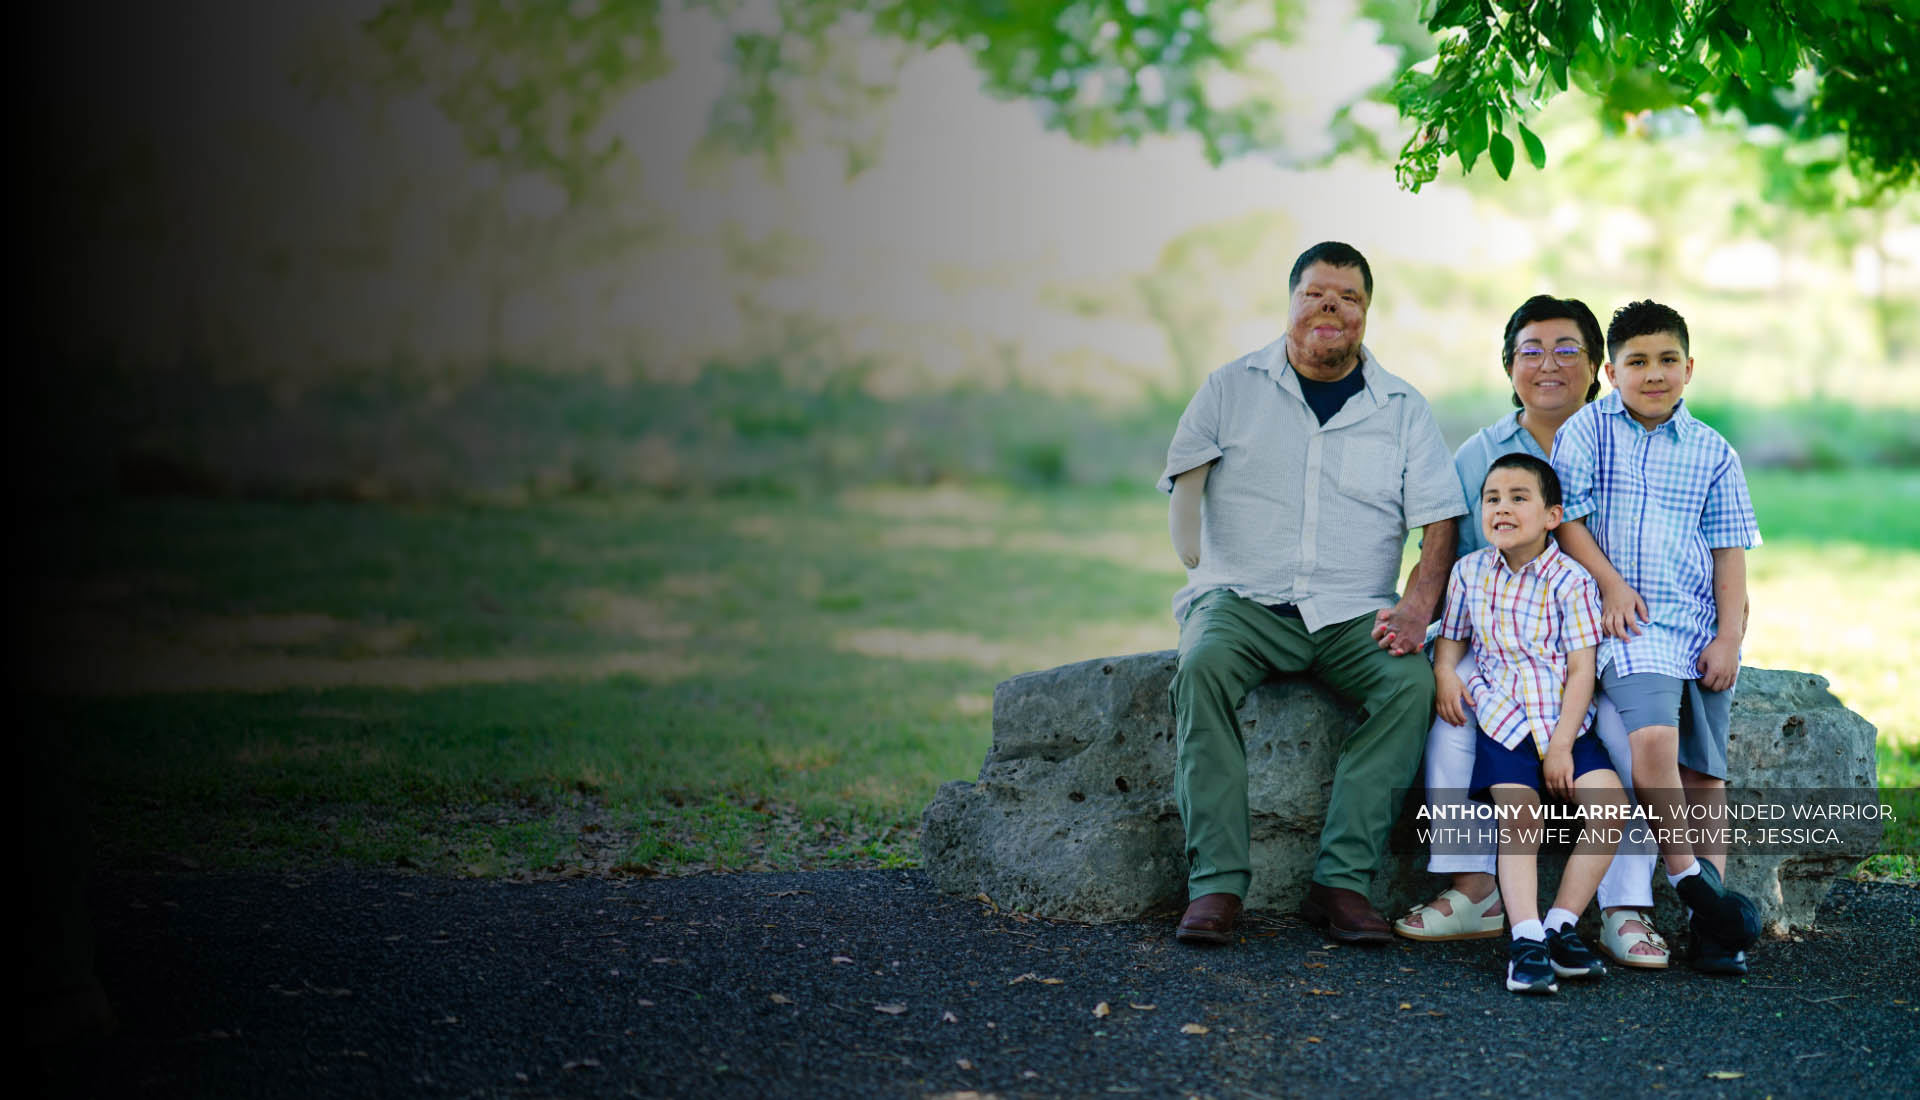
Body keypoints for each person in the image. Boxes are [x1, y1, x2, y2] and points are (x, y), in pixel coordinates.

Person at [1160, 241, 1465, 945]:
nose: (1331, 306)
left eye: (1348, 297)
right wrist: (1191, 551)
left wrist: (1417, 606)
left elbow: (1440, 520)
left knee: (1407, 686)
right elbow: (1185, 479)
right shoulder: (1229, 387)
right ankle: (1216, 885)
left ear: (1366, 313)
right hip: (1242, 599)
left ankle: (1341, 884)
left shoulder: (1402, 408)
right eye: (1316, 293)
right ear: (1292, 302)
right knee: (1201, 667)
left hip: (1352, 611)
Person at [1391, 295, 1667, 969]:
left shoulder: (1624, 437)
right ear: (1509, 365)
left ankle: (1624, 907)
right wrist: (1422, 627)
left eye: (1568, 349)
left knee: (1630, 737)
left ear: (1598, 367)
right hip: (1504, 644)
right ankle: (1476, 888)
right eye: (1531, 350)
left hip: (1610, 634)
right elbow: (1446, 549)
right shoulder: (1480, 454)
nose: (1549, 364)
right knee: (1452, 722)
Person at [1551, 299, 1764, 975]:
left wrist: (1728, 637)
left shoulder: (1713, 451)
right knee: (1652, 744)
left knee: (1704, 774)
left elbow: (1729, 553)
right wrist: (1612, 585)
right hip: (1629, 624)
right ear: (1611, 372)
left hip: (1693, 624)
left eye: (1667, 360)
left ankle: (1712, 929)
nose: (1653, 374)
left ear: (1689, 368)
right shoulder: (1587, 431)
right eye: (1637, 362)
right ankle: (1688, 879)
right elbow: (1567, 521)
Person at [1434, 453, 1634, 994]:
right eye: (1492, 499)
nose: (1501, 508)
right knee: (1521, 816)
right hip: (1504, 723)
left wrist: (1564, 745)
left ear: (1552, 516)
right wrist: (1446, 673)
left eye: (1518, 498)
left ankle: (1559, 927)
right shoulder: (1469, 572)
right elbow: (1452, 637)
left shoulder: (1572, 580)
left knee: (1611, 808)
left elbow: (1581, 669)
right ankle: (1525, 939)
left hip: (1564, 725)